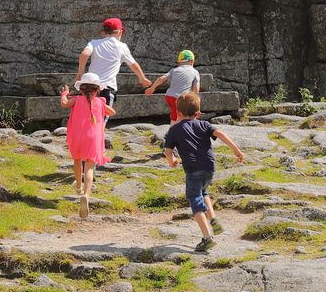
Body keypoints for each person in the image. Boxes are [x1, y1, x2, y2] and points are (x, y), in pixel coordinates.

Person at [162, 90, 245, 252]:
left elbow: (168, 150)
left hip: (193, 170)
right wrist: (236, 149)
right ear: (198, 113)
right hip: (209, 167)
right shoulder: (204, 124)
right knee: (204, 192)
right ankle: (213, 218)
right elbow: (219, 133)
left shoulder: (175, 130)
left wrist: (171, 161)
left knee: (196, 202)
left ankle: (207, 238)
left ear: (178, 112)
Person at [60, 72, 114, 219]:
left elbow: (64, 103)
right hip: (93, 139)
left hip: (77, 137)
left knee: (77, 160)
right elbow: (112, 112)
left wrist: (65, 93)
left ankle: (78, 187)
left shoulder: (76, 100)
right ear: (97, 90)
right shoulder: (101, 102)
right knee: (89, 167)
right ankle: (86, 195)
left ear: (81, 89)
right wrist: (102, 107)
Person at [75, 17, 152, 110]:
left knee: (87, 116)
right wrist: (142, 78)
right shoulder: (122, 46)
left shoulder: (94, 43)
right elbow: (133, 64)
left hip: (89, 87)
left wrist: (81, 73)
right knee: (101, 119)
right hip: (107, 88)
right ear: (119, 32)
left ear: (103, 32)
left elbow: (84, 54)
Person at [144, 49, 201, 122]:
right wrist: (196, 99)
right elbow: (196, 89)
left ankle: (174, 127)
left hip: (169, 96)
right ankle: (176, 129)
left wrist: (152, 88)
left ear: (179, 62)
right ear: (192, 61)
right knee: (180, 116)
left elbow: (161, 79)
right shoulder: (195, 72)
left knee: (176, 113)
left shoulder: (174, 70)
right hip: (181, 98)